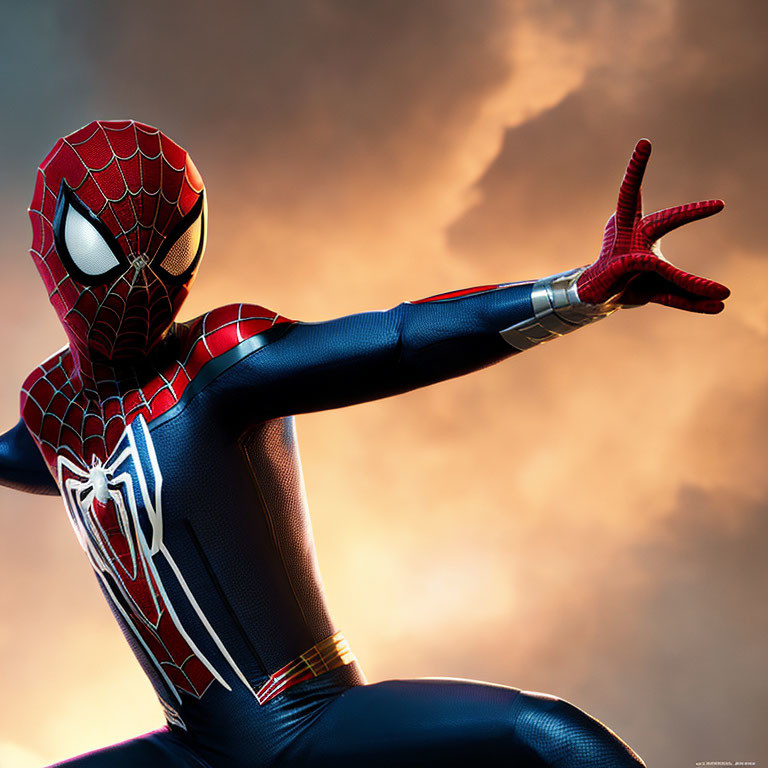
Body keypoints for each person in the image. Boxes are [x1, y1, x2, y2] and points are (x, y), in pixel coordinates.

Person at [1, 120, 728, 767]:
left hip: (314, 726)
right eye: (105, 252)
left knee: (550, 735)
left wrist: (577, 293)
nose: (137, 285)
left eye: (163, 252)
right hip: (195, 747)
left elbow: (399, 340)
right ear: (51, 236)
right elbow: (25, 457)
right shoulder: (54, 410)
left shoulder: (220, 369)